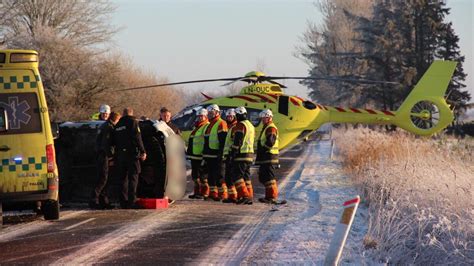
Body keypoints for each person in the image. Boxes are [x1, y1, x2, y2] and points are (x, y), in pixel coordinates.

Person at [112, 107, 147, 209]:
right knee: (133, 178)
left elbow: (114, 141)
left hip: (120, 156)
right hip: (132, 155)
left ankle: (123, 201)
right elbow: (137, 137)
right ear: (131, 114)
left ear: (123, 114)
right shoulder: (133, 122)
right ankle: (132, 201)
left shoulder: (118, 125)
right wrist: (143, 151)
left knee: (122, 179)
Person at [90, 110, 120, 209]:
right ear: (116, 119)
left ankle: (103, 201)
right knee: (103, 179)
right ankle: (94, 200)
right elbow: (106, 144)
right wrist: (111, 156)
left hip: (101, 155)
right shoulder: (109, 127)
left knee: (104, 178)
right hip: (104, 156)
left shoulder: (104, 126)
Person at [229, 106, 255, 205]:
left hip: (241, 154)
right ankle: (249, 196)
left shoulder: (240, 125)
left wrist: (233, 151)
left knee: (238, 176)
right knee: (246, 177)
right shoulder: (250, 125)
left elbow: (238, 140)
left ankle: (244, 196)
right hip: (250, 154)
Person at [202, 104, 228, 201]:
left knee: (219, 176)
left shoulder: (221, 123)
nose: (209, 115)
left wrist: (221, 154)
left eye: (211, 113)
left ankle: (223, 194)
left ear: (217, 112)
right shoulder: (210, 124)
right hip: (209, 155)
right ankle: (213, 195)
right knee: (211, 176)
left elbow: (223, 141)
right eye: (209, 113)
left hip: (217, 155)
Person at [255, 109, 280, 204]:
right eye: (262, 118)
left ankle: (272, 197)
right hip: (266, 157)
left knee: (269, 178)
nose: (262, 120)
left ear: (269, 117)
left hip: (269, 156)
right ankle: (268, 196)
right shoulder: (266, 127)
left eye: (264, 118)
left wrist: (263, 150)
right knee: (264, 177)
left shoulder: (271, 128)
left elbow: (270, 142)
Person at [138, 118, 166, 198]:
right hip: (154, 165)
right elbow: (160, 154)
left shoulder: (139, 138)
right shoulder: (155, 139)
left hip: (143, 164)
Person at [186, 108, 209, 199]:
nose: (200, 118)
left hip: (201, 155)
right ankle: (197, 192)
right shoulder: (197, 127)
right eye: (199, 116)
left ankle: (204, 193)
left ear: (206, 116)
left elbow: (206, 141)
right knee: (195, 176)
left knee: (203, 176)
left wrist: (205, 154)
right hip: (194, 155)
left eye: (202, 116)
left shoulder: (206, 126)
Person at [222, 108, 238, 203]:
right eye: (228, 116)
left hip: (232, 155)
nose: (229, 118)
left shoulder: (235, 127)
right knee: (227, 176)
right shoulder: (227, 127)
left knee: (231, 177)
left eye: (231, 116)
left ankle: (233, 196)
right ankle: (231, 196)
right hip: (227, 155)